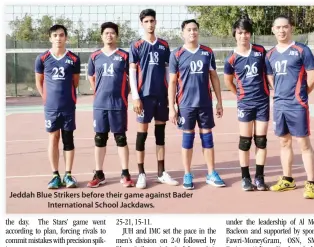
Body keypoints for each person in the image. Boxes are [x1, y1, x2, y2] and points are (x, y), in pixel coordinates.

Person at [265, 15, 314, 199]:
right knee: (284, 142)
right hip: (279, 105)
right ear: (273, 30)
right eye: (278, 27)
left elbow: (313, 77)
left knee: (303, 143)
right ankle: (288, 179)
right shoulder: (270, 54)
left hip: (297, 105)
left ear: (291, 28)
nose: (282, 30)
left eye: (285, 27)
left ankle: (311, 183)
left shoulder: (302, 50)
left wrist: (301, 97)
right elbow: (271, 79)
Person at [168, 19, 225, 190]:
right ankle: (187, 173)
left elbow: (214, 77)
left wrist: (219, 102)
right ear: (183, 33)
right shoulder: (176, 54)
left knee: (207, 138)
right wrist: (172, 107)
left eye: (195, 29)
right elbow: (172, 82)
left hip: (205, 104)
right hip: (185, 105)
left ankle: (211, 173)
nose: (192, 32)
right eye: (189, 30)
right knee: (188, 139)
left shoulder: (207, 52)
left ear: (198, 32)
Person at [129, 9, 178, 189]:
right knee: (141, 135)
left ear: (156, 22)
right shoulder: (136, 46)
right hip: (144, 97)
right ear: (142, 23)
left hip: (160, 96)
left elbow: (167, 71)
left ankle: (161, 172)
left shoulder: (164, 45)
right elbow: (132, 72)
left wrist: (169, 97)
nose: (150, 24)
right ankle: (141, 173)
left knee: (160, 135)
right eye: (146, 21)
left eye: (152, 21)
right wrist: (135, 97)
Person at [224, 17, 270, 191]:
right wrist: (240, 96)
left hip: (262, 102)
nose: (243, 36)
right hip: (245, 104)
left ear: (250, 34)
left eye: (247, 32)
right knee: (245, 142)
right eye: (240, 32)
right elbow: (228, 82)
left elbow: (268, 74)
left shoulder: (260, 51)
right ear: (235, 34)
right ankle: (245, 178)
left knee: (261, 141)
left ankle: (259, 177)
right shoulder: (231, 58)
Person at [86, 22, 134, 188]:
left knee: (120, 138)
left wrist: (125, 92)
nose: (109, 35)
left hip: (118, 104)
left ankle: (125, 173)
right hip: (100, 105)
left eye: (112, 33)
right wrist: (98, 91)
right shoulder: (94, 56)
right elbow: (91, 77)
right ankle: (99, 173)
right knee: (100, 138)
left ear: (117, 35)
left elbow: (132, 78)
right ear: (101, 36)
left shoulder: (124, 56)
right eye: (106, 33)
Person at [34, 24, 81, 189]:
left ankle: (68, 175)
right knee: (53, 139)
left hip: (68, 106)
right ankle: (55, 175)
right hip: (51, 108)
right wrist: (46, 98)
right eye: (55, 35)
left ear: (66, 37)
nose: (58, 38)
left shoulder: (74, 59)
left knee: (68, 139)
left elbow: (75, 83)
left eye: (61, 35)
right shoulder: (42, 58)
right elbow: (39, 82)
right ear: (50, 38)